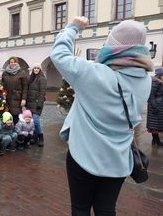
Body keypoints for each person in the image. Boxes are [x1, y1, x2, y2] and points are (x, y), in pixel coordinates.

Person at [51, 17, 153, 216]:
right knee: (106, 209)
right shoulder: (145, 81)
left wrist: (73, 28)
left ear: (113, 47)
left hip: (83, 155)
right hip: (118, 158)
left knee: (80, 209)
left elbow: (59, 54)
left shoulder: (93, 74)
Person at [2, 57, 28, 125]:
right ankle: (9, 133)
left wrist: (24, 99)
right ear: (9, 63)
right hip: (7, 98)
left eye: (14, 62)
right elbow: (2, 85)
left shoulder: (22, 73)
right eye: (11, 62)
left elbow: (25, 87)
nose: (13, 63)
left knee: (16, 118)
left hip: (17, 98)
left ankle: (16, 133)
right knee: (7, 118)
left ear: (17, 63)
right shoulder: (5, 73)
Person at [26, 63, 47, 147]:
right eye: (35, 68)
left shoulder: (42, 79)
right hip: (30, 103)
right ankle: (34, 137)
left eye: (38, 68)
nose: (36, 70)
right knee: (31, 121)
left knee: (36, 121)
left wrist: (40, 103)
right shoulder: (30, 78)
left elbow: (42, 92)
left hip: (37, 103)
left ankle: (41, 137)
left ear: (40, 70)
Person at [146, 67, 163, 146]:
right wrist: (155, 107)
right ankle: (156, 141)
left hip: (159, 107)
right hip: (155, 107)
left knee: (157, 125)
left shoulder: (160, 82)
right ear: (160, 75)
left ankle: (156, 141)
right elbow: (151, 96)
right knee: (154, 125)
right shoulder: (155, 82)